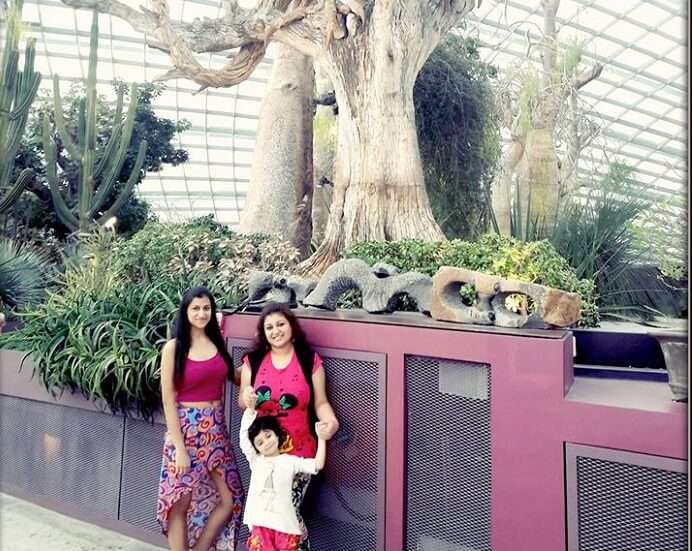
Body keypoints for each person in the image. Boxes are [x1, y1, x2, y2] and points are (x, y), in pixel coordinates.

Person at [238, 302, 339, 550]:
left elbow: (321, 402)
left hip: (299, 453)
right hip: (266, 455)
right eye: (269, 327)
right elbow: (243, 399)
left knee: (286, 513)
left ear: (292, 327)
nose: (276, 331)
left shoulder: (308, 360)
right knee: (269, 515)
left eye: (281, 324)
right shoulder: (254, 360)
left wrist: (331, 422)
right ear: (263, 332)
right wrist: (248, 399)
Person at [157, 286, 244, 551]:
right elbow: (168, 400)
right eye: (195, 308)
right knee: (180, 501)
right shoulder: (174, 348)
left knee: (230, 498)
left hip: (215, 429)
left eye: (206, 308)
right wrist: (180, 448)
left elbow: (236, 376)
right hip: (185, 428)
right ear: (185, 312)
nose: (202, 313)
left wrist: (265, 359)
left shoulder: (216, 343)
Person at [239, 404, 327, 550]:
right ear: (256, 448)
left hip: (285, 526)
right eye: (260, 442)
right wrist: (250, 410)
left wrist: (322, 439)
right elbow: (244, 437)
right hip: (261, 526)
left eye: (268, 436)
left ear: (277, 434)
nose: (266, 443)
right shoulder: (256, 461)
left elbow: (317, 465)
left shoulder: (290, 461)